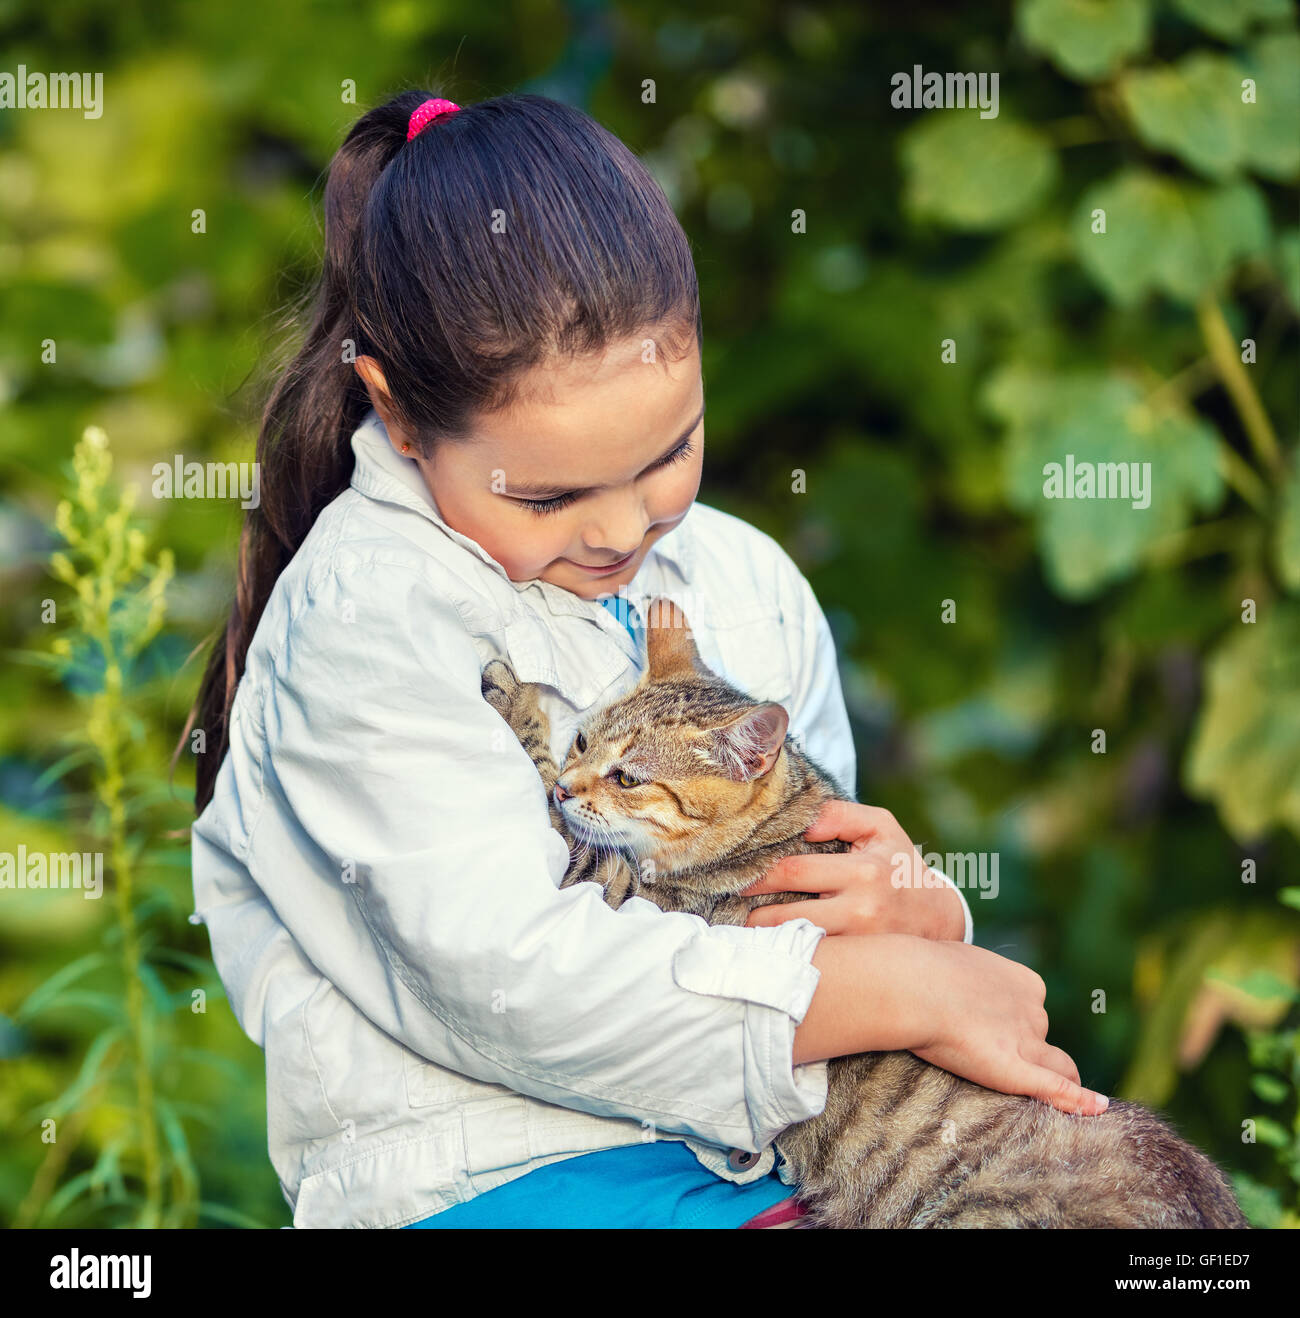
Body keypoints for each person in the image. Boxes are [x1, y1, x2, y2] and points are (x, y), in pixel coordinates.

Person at [188, 91, 1107, 1230]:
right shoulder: (370, 611)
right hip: (502, 1183)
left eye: (669, 453)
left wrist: (915, 916)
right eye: (551, 492)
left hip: (761, 1164)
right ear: (403, 414)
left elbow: (796, 894)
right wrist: (884, 987)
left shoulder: (744, 577)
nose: (623, 530)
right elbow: (509, 983)